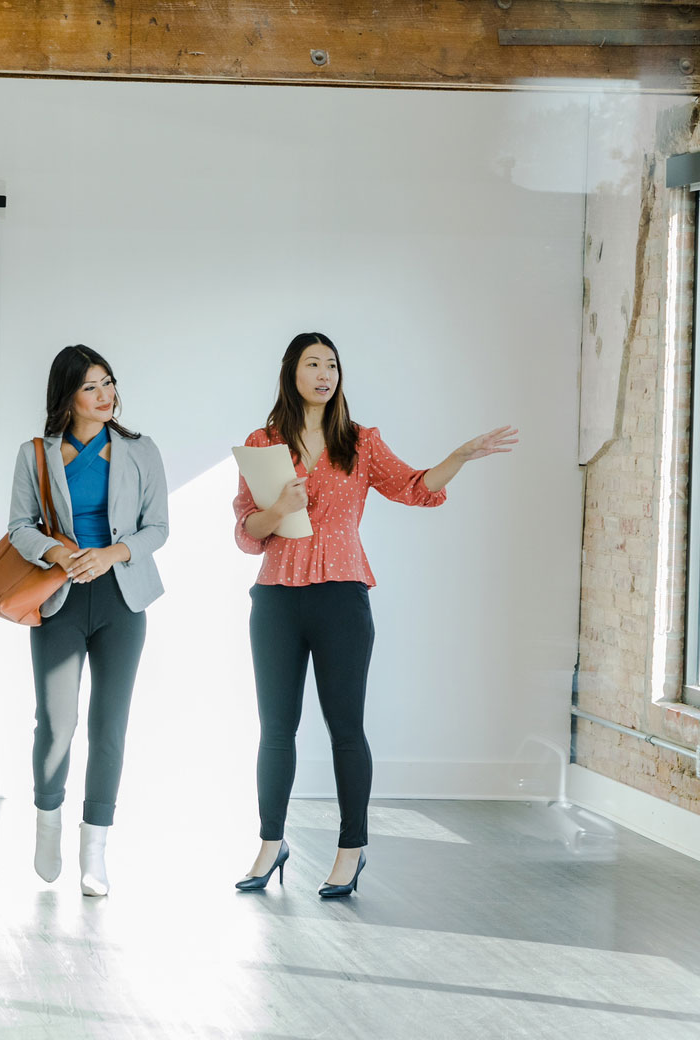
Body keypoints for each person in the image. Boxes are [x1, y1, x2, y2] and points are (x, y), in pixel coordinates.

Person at [233, 332, 517, 897]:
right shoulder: (263, 443)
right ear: (291, 373)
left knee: (345, 730)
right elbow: (247, 533)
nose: (324, 374)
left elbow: (414, 488)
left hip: (341, 598)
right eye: (312, 364)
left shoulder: (360, 443)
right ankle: (271, 843)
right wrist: (279, 509)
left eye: (332, 364)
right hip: (276, 600)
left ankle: (351, 849)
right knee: (276, 731)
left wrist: (457, 457)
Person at [8, 345, 169, 896]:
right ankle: (47, 822)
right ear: (67, 396)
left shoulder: (141, 451)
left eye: (109, 383)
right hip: (61, 601)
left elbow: (158, 529)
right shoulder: (37, 454)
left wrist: (111, 554)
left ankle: (95, 848)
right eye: (91, 388)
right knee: (56, 723)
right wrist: (57, 554)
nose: (106, 396)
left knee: (109, 726)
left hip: (123, 601)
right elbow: (18, 527)